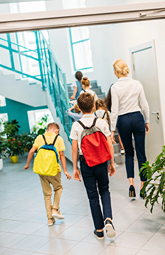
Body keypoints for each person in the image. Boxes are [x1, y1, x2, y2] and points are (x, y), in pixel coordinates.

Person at [70, 93, 116, 239]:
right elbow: (109, 143)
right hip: (102, 162)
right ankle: (108, 218)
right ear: (94, 106)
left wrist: (75, 168)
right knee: (105, 190)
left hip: (86, 164)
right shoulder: (101, 123)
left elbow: (74, 148)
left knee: (92, 196)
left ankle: (99, 230)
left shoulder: (76, 125)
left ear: (79, 108)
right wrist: (112, 163)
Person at [111, 59, 150, 198]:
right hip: (138, 118)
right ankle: (143, 185)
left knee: (128, 152)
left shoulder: (115, 87)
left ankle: (131, 184)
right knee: (141, 153)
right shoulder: (137, 84)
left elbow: (114, 110)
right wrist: (147, 120)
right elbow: (144, 105)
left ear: (116, 71)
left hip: (124, 121)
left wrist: (111, 130)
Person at [24, 123, 71, 226]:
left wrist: (27, 164)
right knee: (58, 188)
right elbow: (62, 156)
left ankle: (50, 219)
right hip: (54, 170)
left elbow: (32, 151)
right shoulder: (58, 139)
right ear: (57, 130)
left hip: (41, 170)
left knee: (47, 194)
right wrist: (66, 171)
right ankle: (55, 209)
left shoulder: (39, 137)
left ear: (47, 130)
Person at [105, 85, 125, 154]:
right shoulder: (118, 97)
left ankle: (122, 148)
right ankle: (122, 147)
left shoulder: (108, 100)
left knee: (119, 132)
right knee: (120, 132)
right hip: (119, 116)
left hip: (113, 118)